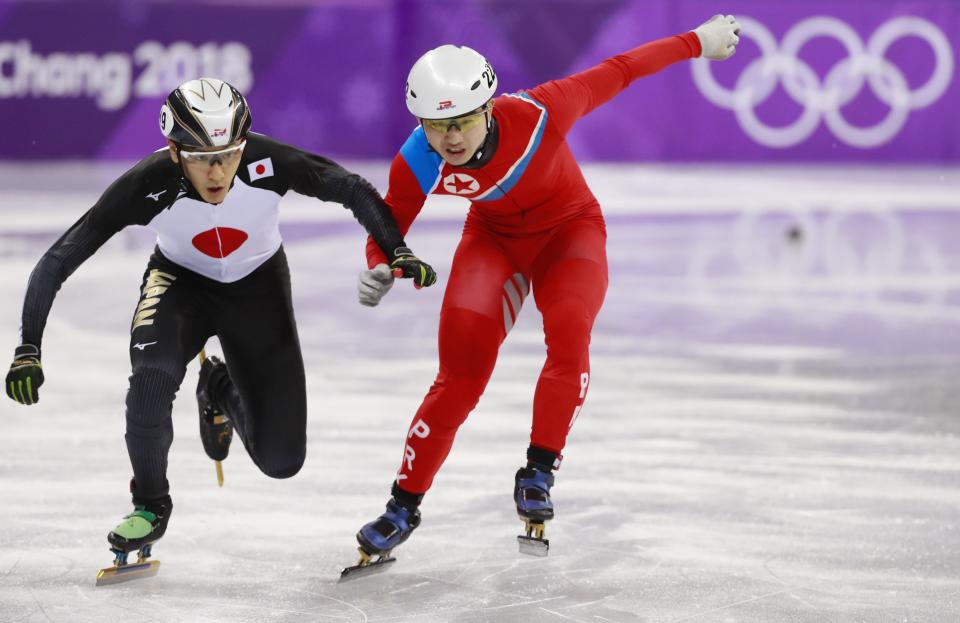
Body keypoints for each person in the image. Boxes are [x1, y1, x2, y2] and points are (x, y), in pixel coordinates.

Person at [4, 78, 436, 572]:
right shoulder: (148, 182)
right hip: (180, 285)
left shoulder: (266, 160)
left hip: (258, 288)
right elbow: (60, 257)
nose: (217, 171)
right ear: (173, 151)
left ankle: (217, 387)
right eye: (200, 157)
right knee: (152, 377)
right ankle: (150, 504)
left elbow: (352, 189)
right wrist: (29, 347)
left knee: (282, 462)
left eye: (228, 154)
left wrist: (397, 249)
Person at [352, 15, 741, 560]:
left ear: (488, 108)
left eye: (464, 122)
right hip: (493, 242)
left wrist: (695, 42)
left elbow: (621, 69)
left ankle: (538, 471)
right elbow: (389, 223)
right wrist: (381, 263)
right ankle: (401, 506)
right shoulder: (418, 157)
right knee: (458, 377)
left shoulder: (541, 112)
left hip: (569, 233)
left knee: (569, 335)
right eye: (438, 127)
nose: (452, 139)